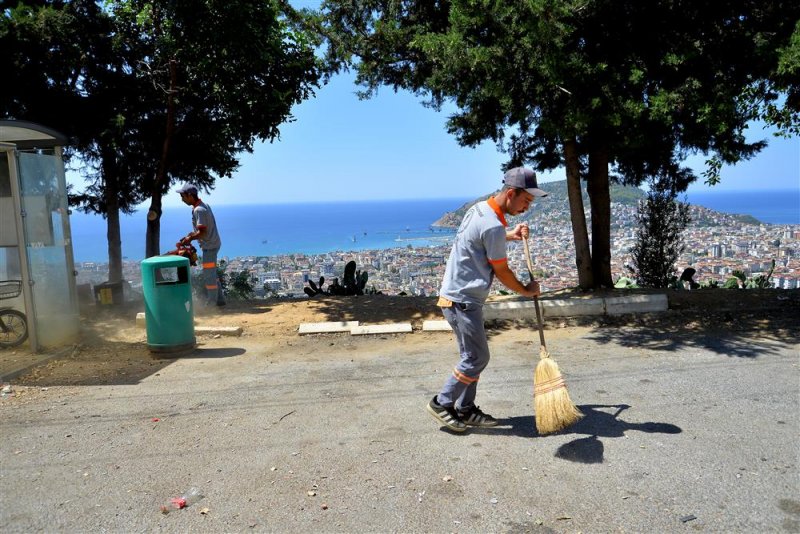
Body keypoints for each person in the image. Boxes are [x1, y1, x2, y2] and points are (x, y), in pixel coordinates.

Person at [427, 167, 546, 432]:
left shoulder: (480, 210)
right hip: (463, 300)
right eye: (526, 201)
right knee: (477, 358)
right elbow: (502, 271)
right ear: (512, 193)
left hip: (458, 297)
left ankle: (466, 409)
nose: (526, 208)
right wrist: (526, 291)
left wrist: (512, 235)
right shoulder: (493, 224)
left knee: (472, 357)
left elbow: (478, 238)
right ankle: (441, 403)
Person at [176, 183, 226, 307]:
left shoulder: (199, 210)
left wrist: (190, 238)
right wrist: (190, 236)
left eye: (183, 196)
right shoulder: (204, 206)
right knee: (212, 273)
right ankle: (220, 300)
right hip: (213, 243)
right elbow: (202, 229)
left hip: (209, 246)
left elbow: (202, 232)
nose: (182, 199)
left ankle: (212, 303)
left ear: (190, 195)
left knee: (209, 276)